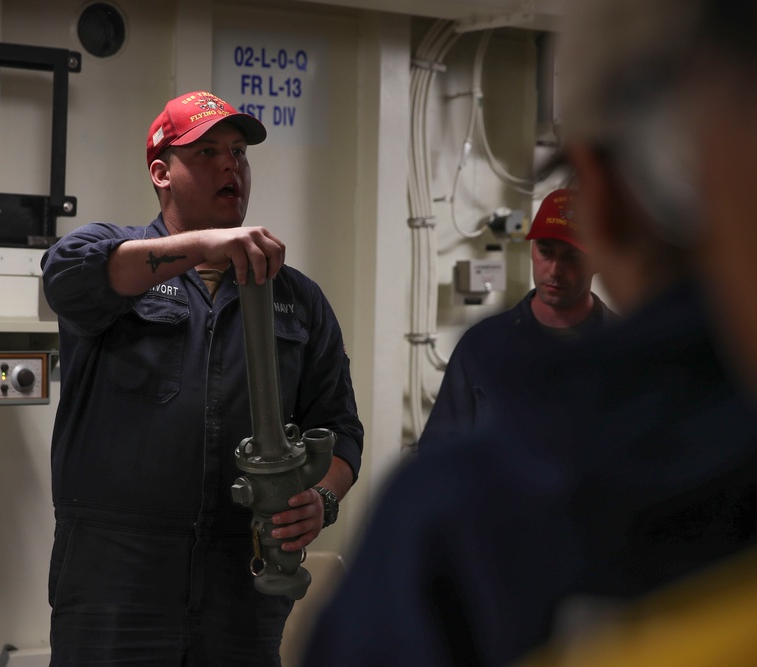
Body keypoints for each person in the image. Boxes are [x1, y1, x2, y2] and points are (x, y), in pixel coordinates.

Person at [301, 0, 757, 665]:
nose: (554, 266)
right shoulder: (487, 353)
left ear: (602, 197)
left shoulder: (456, 531)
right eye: (544, 250)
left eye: (567, 252)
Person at [40, 90, 363, 666]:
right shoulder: (111, 255)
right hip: (115, 575)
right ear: (161, 173)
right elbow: (65, 278)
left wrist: (321, 499)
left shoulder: (297, 300)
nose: (230, 164)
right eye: (208, 151)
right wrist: (199, 246)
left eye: (238, 151)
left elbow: (338, 429)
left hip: (242, 580)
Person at [418, 188, 615, 445]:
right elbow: (438, 452)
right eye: (546, 251)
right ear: (532, 249)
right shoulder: (483, 345)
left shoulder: (627, 347)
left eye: (571, 257)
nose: (555, 270)